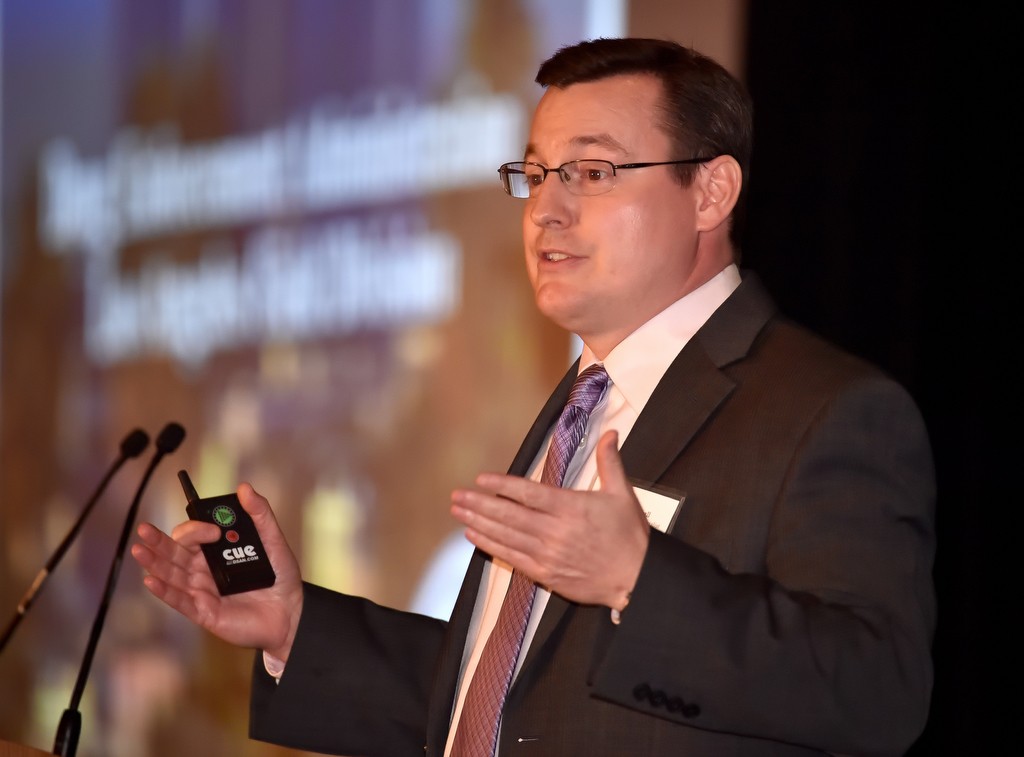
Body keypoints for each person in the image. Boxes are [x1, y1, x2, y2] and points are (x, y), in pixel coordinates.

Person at [131, 37, 936, 756]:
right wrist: (298, 628)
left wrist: (639, 582)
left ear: (711, 191)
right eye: (537, 173)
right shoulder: (581, 404)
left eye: (592, 171)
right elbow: (510, 702)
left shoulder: (827, 411)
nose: (546, 208)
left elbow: (876, 693)